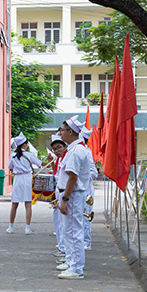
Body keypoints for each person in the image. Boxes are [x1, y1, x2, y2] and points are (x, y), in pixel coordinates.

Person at [55, 115, 93, 280]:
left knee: (73, 232)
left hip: (73, 194)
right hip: (69, 193)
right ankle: (72, 262)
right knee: (68, 230)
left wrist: (65, 199)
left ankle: (77, 268)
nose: (60, 133)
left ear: (70, 132)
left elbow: (72, 177)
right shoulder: (73, 149)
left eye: (62, 130)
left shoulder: (76, 151)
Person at [6, 133, 42, 235]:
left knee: (14, 204)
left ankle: (11, 227)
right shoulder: (29, 155)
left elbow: (10, 167)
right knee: (28, 204)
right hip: (27, 179)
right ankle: (27, 228)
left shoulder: (12, 156)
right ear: (25, 145)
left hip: (17, 179)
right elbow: (39, 163)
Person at [48, 134, 68, 261]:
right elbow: (57, 175)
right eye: (54, 149)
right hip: (59, 192)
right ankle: (62, 248)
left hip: (67, 193)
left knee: (66, 225)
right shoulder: (59, 159)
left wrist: (63, 197)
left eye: (58, 147)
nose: (56, 151)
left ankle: (68, 255)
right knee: (58, 223)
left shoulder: (70, 156)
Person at [79, 126, 97, 251]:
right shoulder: (76, 150)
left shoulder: (86, 151)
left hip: (86, 189)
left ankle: (86, 242)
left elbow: (94, 173)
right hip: (77, 189)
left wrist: (82, 176)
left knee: (85, 216)